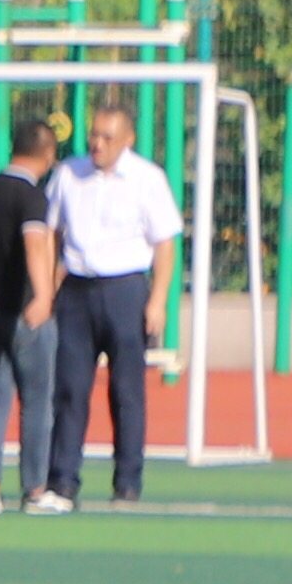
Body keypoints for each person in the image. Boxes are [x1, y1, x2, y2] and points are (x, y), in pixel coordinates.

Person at [35, 98, 180, 510]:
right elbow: (51, 233)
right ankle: (62, 481)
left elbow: (164, 243)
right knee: (69, 390)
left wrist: (157, 301)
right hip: (77, 293)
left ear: (128, 140)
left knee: (126, 392)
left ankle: (128, 482)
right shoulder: (68, 174)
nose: (97, 144)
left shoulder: (147, 179)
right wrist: (48, 287)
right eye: (93, 135)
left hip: (125, 291)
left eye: (107, 137)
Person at [0, 111, 66, 517]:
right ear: (47, 154)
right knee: (38, 402)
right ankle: (35, 489)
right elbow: (35, 244)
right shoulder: (31, 197)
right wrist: (43, 295)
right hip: (25, 315)